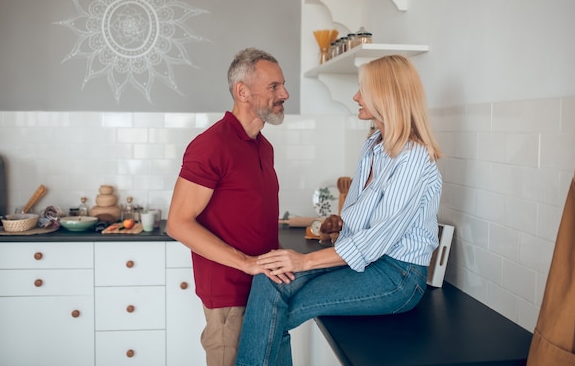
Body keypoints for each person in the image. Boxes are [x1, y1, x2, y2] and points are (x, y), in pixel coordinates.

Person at [235, 54, 443, 366]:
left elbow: (376, 241)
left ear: (386, 96)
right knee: (269, 276)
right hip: (364, 261)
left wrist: (305, 261)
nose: (356, 96)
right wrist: (341, 225)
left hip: (396, 274)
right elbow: (365, 218)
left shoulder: (413, 159)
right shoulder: (374, 145)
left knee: (278, 312)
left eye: (363, 90)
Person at [166, 47, 290, 366]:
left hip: (266, 292)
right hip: (230, 301)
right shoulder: (211, 146)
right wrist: (246, 263)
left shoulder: (264, 148)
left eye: (283, 85)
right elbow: (178, 223)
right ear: (243, 92)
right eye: (274, 86)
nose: (285, 94)